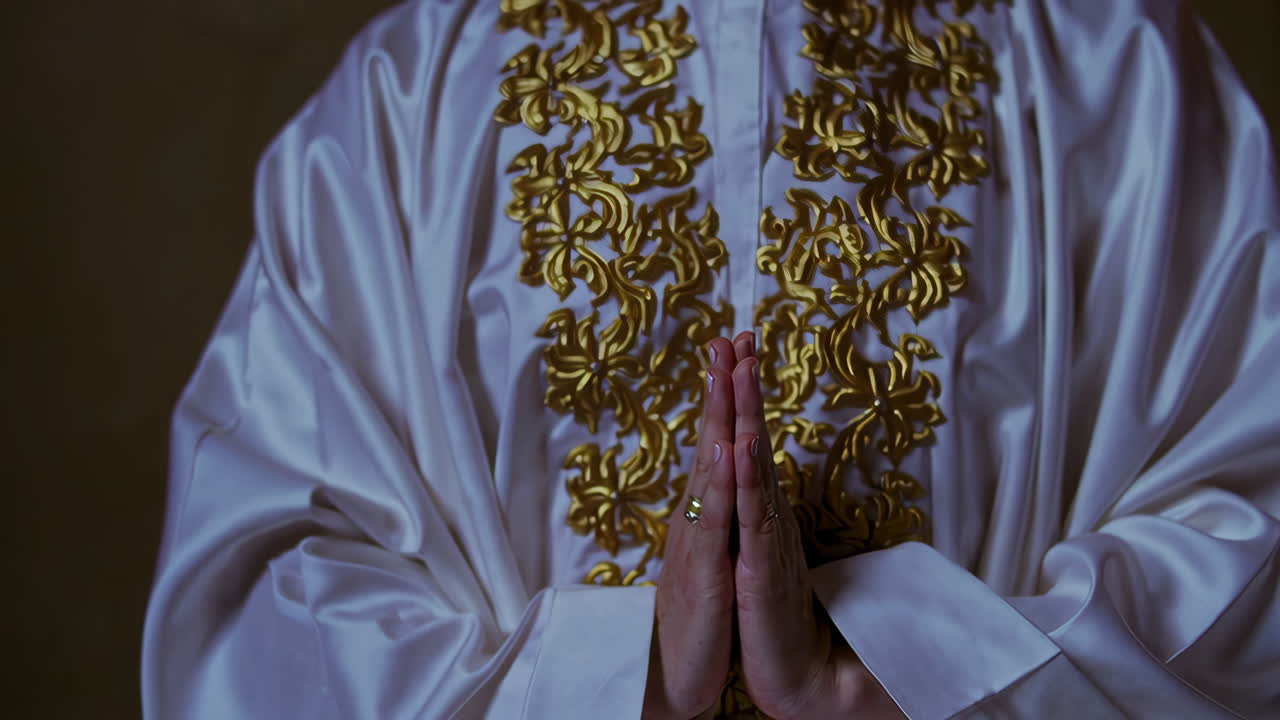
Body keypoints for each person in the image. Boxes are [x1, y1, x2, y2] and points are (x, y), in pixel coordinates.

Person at [142, 0, 1280, 717]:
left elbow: (1248, 513)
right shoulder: (405, 101)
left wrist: (893, 679)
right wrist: (604, 681)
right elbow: (260, 595)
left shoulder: (1115, 71)